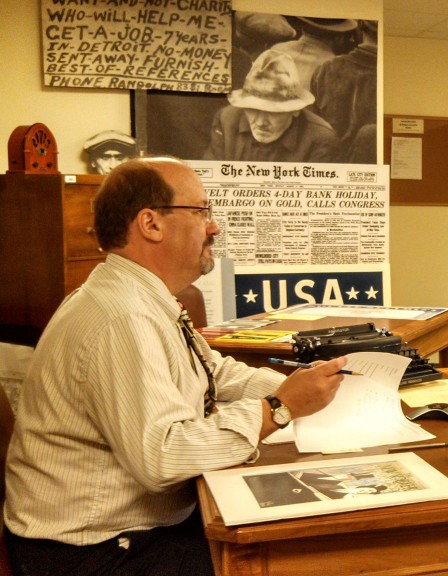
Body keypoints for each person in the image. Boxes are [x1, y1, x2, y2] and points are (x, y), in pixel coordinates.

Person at [2, 158, 348, 575]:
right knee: (303, 558)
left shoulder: (138, 296)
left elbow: (211, 372)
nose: (214, 226)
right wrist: (278, 408)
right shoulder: (122, 316)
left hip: (127, 530)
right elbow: (162, 456)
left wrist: (303, 387)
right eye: (201, 211)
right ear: (151, 224)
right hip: (93, 552)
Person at [204, 50, 340, 163]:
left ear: (295, 110)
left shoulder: (320, 140)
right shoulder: (227, 119)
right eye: (253, 109)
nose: (261, 122)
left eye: (274, 112)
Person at [310, 20, 379, 164]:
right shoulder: (390, 77)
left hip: (326, 166)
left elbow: (312, 129)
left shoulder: (326, 69)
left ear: (360, 28)